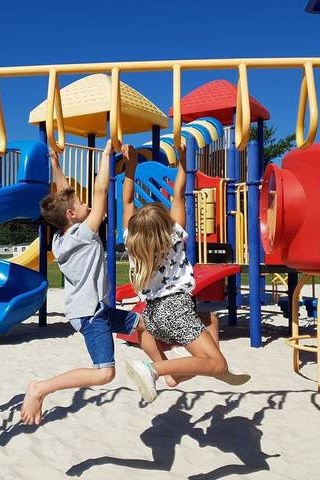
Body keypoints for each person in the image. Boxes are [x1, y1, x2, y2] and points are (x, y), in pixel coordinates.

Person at [21, 141, 145, 425]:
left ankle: (161, 370)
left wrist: (55, 165)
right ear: (72, 216)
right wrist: (105, 157)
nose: (87, 203)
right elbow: (101, 190)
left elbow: (64, 194)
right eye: (80, 203)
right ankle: (40, 388)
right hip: (90, 314)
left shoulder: (61, 236)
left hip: (94, 307)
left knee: (144, 323)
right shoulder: (84, 235)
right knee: (104, 373)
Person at [122, 145, 249, 403]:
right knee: (218, 365)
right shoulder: (174, 237)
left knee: (208, 318)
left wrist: (130, 165)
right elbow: (178, 193)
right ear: (166, 226)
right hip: (175, 310)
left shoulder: (131, 241)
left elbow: (125, 201)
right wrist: (182, 162)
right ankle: (155, 370)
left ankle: (172, 372)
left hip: (152, 313)